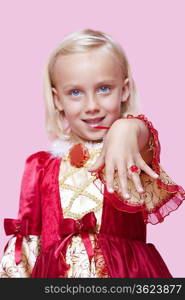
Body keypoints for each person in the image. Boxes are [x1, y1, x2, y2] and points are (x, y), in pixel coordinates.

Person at [0, 28, 184, 278]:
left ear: (124, 90)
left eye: (104, 88)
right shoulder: (40, 165)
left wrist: (126, 127)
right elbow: (26, 251)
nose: (92, 106)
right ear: (57, 100)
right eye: (75, 92)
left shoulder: (129, 148)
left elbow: (142, 137)